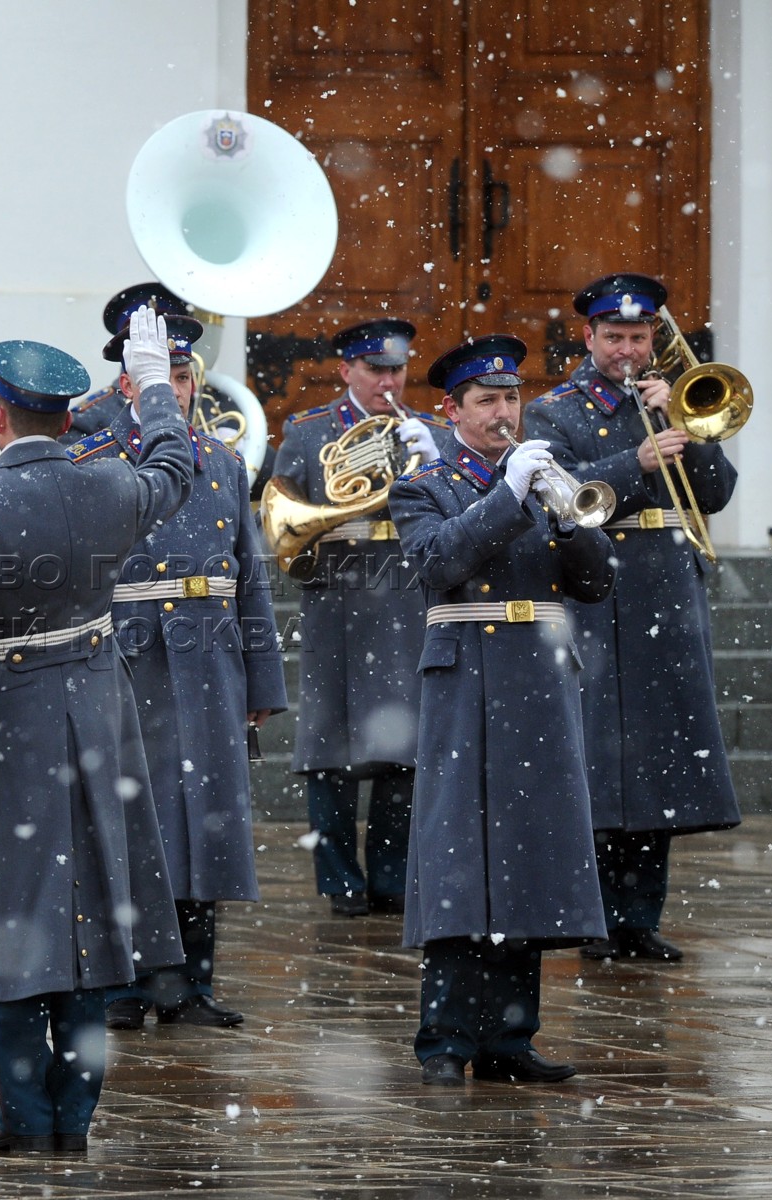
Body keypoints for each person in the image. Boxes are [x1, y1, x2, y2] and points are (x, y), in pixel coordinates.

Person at [0, 309, 187, 1155]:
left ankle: (22, 1116)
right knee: (94, 917)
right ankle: (74, 1119)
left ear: (0, 415)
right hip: (97, 711)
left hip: (9, 722)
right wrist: (152, 386)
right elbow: (176, 467)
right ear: (67, 415)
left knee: (15, 920)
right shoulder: (112, 485)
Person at [391, 334, 615, 1085]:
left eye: (510, 398)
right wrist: (507, 496)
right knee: (459, 858)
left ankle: (511, 1039)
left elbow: (594, 584)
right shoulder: (425, 483)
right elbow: (436, 563)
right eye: (485, 401)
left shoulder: (546, 475)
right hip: (465, 678)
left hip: (540, 680)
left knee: (531, 854)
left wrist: (573, 519)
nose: (502, 413)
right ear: (452, 410)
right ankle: (445, 1038)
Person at [68, 313, 288, 1030]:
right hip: (133, 660)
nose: (183, 389)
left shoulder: (220, 461)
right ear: (129, 385)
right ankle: (127, 984)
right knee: (141, 825)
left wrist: (262, 682)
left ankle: (190, 983)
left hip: (210, 660)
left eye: (189, 376)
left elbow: (249, 577)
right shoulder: (94, 458)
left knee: (207, 826)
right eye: (169, 376)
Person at [523, 273, 741, 962]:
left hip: (668, 590)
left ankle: (639, 918)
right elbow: (558, 497)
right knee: (597, 760)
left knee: (662, 762)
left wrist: (687, 431)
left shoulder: (674, 398)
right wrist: (632, 459)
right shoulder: (555, 410)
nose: (626, 349)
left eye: (638, 337)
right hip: (597, 588)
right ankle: (594, 920)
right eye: (613, 337)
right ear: (587, 338)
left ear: (654, 339)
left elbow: (717, 493)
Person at [267, 318, 450, 916]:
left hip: (408, 593)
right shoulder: (310, 430)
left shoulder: (431, 431)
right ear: (346, 371)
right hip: (340, 597)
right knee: (331, 752)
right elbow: (281, 525)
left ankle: (394, 880)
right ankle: (341, 883)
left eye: (396, 369)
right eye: (375, 370)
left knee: (404, 751)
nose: (388, 381)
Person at [61, 282, 194, 443]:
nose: (173, 392)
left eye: (182, 378)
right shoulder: (89, 420)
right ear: (127, 385)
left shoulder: (206, 405)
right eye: (160, 378)